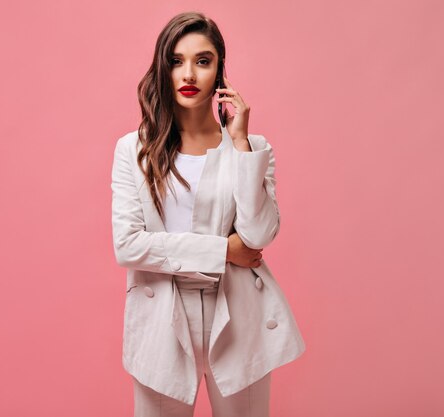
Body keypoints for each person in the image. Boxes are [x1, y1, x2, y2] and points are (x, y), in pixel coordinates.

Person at [111, 11, 306, 417]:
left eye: (203, 61)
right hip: (162, 313)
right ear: (162, 69)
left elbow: (258, 235)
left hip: (237, 315)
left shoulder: (251, 146)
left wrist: (241, 146)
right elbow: (128, 246)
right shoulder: (134, 150)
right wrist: (222, 252)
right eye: (176, 61)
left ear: (220, 70)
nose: (189, 73)